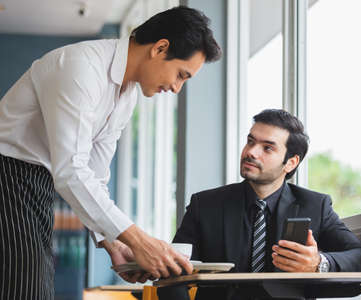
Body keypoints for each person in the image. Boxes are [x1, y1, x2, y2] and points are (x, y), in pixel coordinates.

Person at [0, 5, 221, 300]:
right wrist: (141, 241)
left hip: (36, 185)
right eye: (181, 74)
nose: (177, 88)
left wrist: (115, 244)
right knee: (26, 291)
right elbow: (71, 171)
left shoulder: (126, 93)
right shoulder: (80, 67)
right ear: (160, 48)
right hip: (8, 176)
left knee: (36, 288)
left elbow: (94, 175)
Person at [157, 109, 361, 300]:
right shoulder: (204, 205)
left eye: (268, 147)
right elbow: (171, 275)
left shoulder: (315, 205)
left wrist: (318, 263)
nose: (251, 152)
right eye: (250, 141)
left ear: (291, 163)